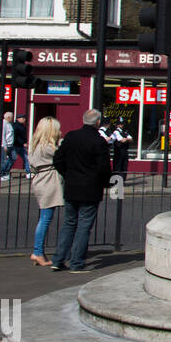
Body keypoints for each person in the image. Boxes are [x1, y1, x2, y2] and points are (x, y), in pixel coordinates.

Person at [50, 109, 111, 272]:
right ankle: (76, 262)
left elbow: (58, 159)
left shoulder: (71, 136)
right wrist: (105, 182)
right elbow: (104, 168)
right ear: (97, 123)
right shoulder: (99, 142)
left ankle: (58, 259)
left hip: (72, 186)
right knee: (84, 226)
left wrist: (68, 174)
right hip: (90, 188)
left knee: (69, 223)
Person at [27, 117, 64, 267]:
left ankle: (38, 251)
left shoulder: (35, 145)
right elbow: (61, 155)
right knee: (46, 218)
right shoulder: (48, 148)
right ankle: (38, 252)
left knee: (45, 217)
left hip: (41, 181)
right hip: (48, 182)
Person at [0, 111, 16, 180]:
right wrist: (5, 146)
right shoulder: (4, 124)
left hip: (11, 145)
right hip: (5, 145)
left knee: (13, 158)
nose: (12, 118)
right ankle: (1, 174)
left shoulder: (9, 124)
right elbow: (2, 135)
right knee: (4, 160)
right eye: (12, 117)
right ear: (8, 117)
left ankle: (6, 172)